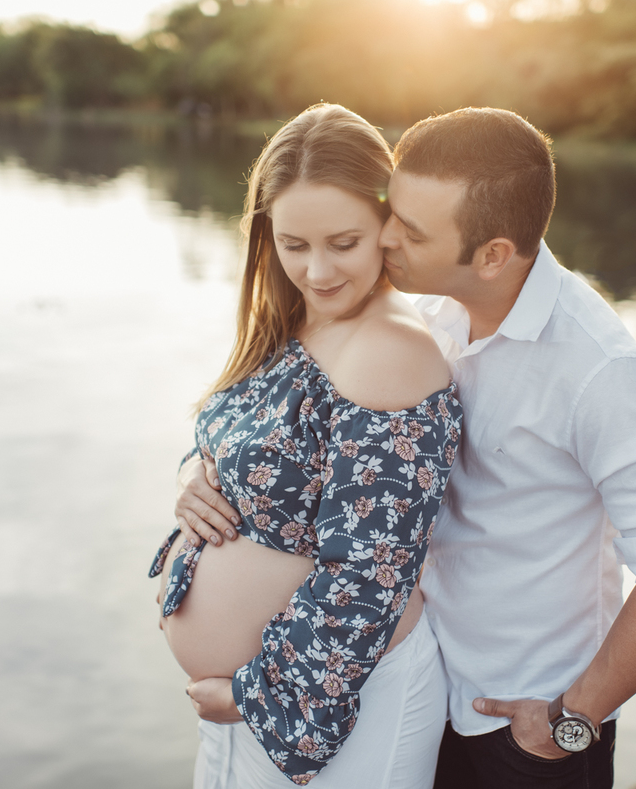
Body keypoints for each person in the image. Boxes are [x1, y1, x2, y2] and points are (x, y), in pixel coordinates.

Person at [179, 107, 636, 789]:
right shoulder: (430, 307)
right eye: (389, 210)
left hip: (521, 721)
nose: (386, 235)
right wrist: (202, 476)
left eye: (409, 229)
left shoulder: (598, 370)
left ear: (493, 254)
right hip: (425, 683)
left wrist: (570, 722)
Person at [152, 103, 464, 788]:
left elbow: (370, 572)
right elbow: (239, 434)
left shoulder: (389, 349)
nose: (317, 270)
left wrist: (259, 698)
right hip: (257, 698)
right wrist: (195, 482)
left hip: (330, 704)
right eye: (294, 245)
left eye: (342, 242)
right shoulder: (296, 316)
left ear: (388, 222)